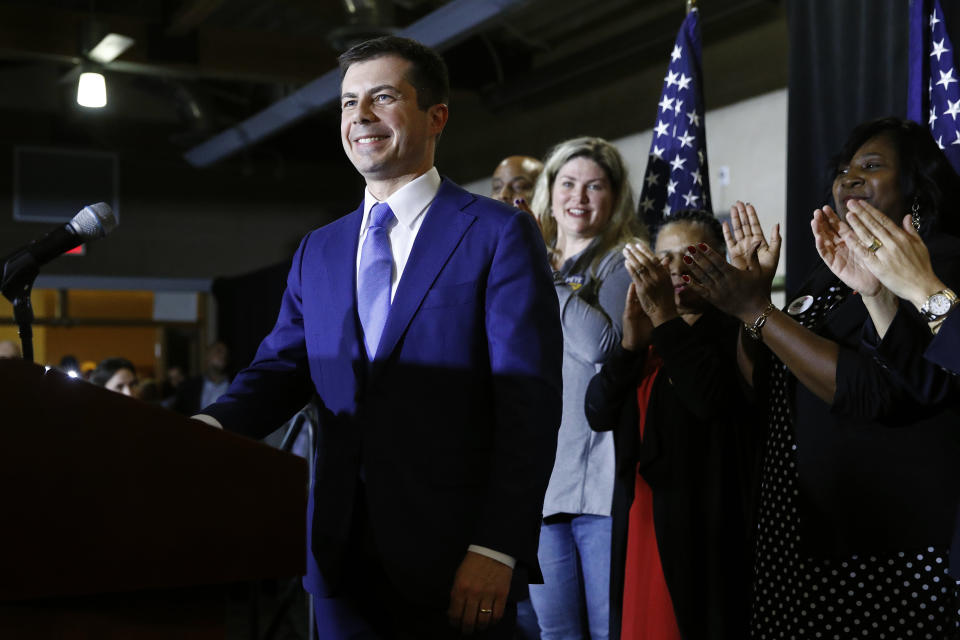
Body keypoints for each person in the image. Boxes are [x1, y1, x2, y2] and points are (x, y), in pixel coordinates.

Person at [194, 36, 563, 639]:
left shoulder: (497, 235)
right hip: (338, 558)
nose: (359, 117)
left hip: (455, 560)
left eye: (382, 97)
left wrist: (498, 546)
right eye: (347, 103)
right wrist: (209, 428)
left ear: (436, 116)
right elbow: (282, 369)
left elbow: (529, 404)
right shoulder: (319, 248)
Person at [683, 117, 960, 638]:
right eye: (843, 169)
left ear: (915, 185)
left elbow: (874, 391)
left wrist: (759, 312)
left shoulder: (938, 264)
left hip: (881, 540)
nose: (848, 177)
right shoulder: (825, 272)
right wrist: (754, 310)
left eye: (871, 166)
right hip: (799, 522)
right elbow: (762, 380)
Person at [585, 209, 759, 640]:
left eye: (693, 255)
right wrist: (629, 344)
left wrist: (664, 318)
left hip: (702, 527)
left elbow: (709, 400)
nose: (677, 269)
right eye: (665, 257)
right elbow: (598, 412)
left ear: (720, 260)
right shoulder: (647, 334)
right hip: (641, 517)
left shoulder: (735, 331)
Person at [526, 136, 643, 640]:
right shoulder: (530, 262)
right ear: (549, 194)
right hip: (539, 481)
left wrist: (545, 276)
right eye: (568, 184)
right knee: (555, 633)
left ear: (614, 198)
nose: (579, 197)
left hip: (598, 487)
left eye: (595, 186)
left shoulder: (623, 260)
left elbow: (600, 346)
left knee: (606, 631)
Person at [833, 198, 960, 375]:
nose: (851, 180)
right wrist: (876, 295)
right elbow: (929, 387)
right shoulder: (840, 256)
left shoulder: (947, 254)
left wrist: (921, 287)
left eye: (871, 167)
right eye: (842, 171)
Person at [172, 341, 232, 415]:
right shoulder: (189, 387)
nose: (223, 355)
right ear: (207, 356)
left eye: (226, 353)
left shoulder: (236, 386)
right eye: (218, 351)